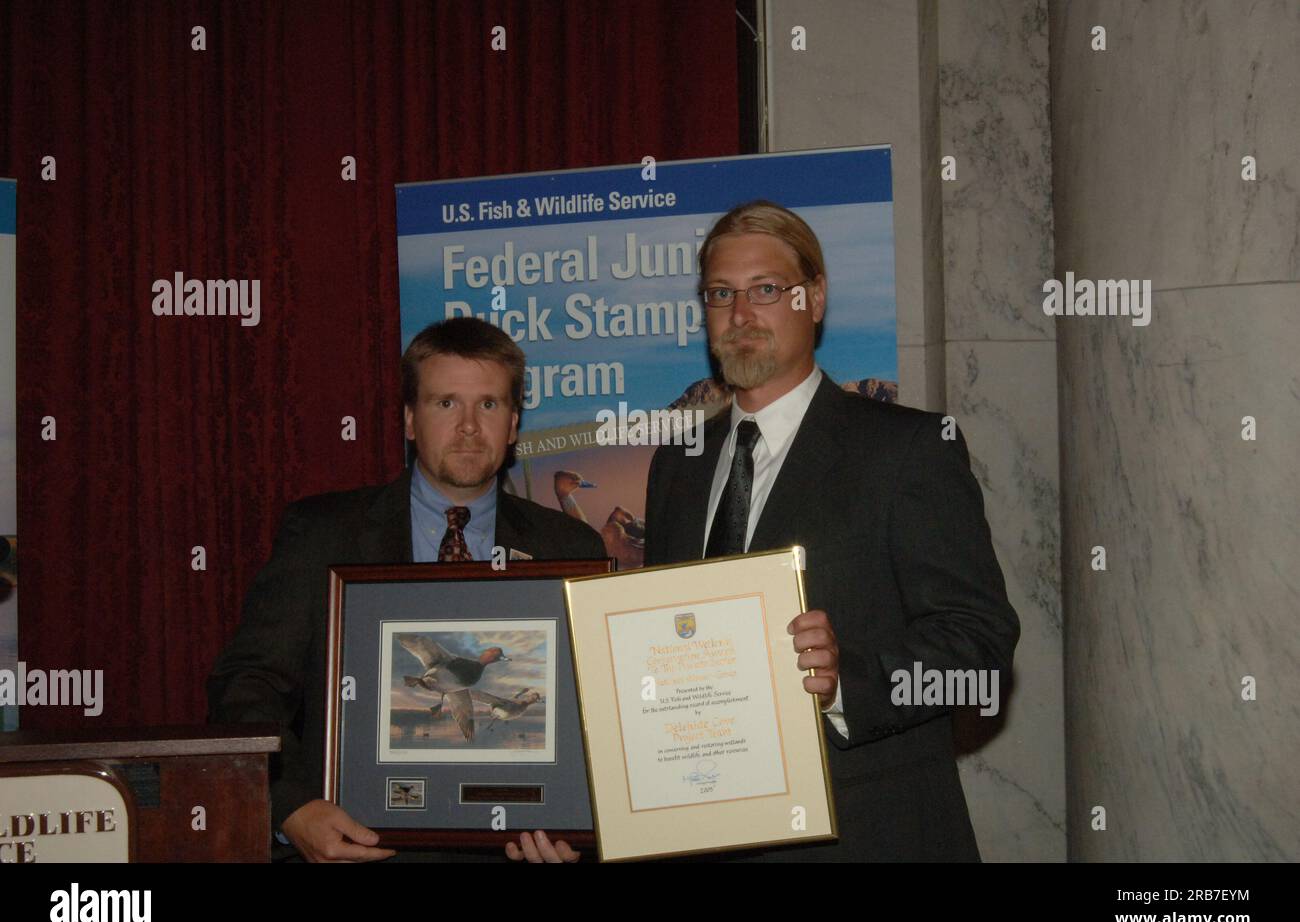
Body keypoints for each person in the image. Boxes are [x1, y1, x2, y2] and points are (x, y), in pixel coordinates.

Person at [642, 200, 1020, 861]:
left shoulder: (908, 448)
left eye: (766, 290)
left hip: (868, 835)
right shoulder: (678, 465)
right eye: (720, 294)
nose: (740, 315)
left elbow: (980, 649)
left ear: (813, 298)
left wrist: (847, 682)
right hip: (704, 835)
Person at [208, 318, 604, 862]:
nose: (468, 426)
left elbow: (600, 718)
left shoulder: (572, 546)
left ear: (513, 424)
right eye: (446, 404)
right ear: (410, 420)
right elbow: (246, 685)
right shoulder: (323, 533)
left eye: (487, 405)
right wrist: (291, 807)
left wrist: (579, 823)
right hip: (359, 848)